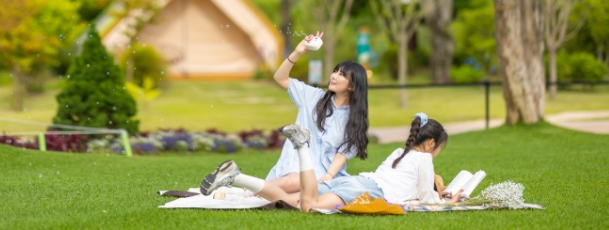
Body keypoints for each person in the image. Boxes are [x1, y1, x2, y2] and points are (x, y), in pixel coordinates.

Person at [199, 113, 464, 212]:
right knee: (308, 206)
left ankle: (236, 177)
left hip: (357, 182)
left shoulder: (400, 152)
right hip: (366, 192)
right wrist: (448, 201)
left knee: (297, 201)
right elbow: (424, 199)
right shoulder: (423, 160)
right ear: (431, 144)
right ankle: (302, 146)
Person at [266, 31, 369, 194]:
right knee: (295, 182)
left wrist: (328, 177)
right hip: (295, 165)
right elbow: (280, 78)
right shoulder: (313, 97)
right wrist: (298, 53)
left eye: (341, 74)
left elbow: (341, 155)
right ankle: (248, 191)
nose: (333, 76)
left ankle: (250, 188)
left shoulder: (355, 120)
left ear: (352, 86)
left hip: (323, 174)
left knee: (300, 193)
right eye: (335, 71)